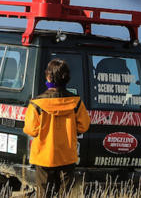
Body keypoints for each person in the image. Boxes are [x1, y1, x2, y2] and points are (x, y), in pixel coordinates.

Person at [23, 59, 91, 197]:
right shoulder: (76, 102)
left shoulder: (36, 104)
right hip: (67, 157)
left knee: (44, 194)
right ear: (67, 78)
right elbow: (84, 126)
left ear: (48, 76)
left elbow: (31, 129)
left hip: (44, 158)